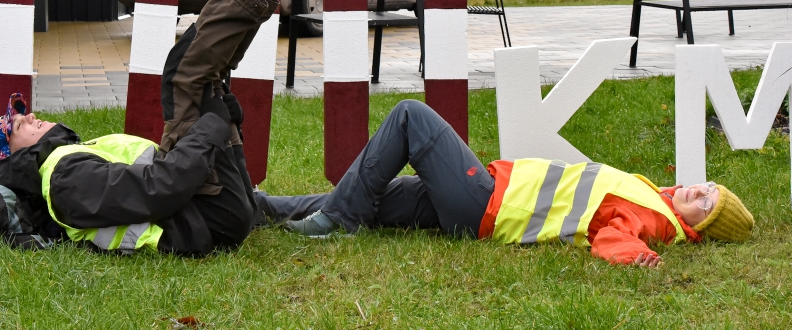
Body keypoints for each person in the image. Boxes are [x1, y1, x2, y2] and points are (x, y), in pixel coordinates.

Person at [0, 0, 305, 256]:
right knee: (183, 77)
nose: (30, 116)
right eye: (16, 126)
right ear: (11, 157)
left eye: (22, 115)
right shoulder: (63, 179)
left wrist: (213, 122)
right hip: (208, 218)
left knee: (201, 78)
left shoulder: (67, 164)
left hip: (209, 210)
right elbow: (159, 188)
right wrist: (213, 126)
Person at [256, 99, 754, 267]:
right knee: (376, 197)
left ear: (701, 225)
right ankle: (265, 210)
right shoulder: (655, 195)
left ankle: (339, 222)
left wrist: (644, 258)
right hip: (485, 201)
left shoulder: (655, 219)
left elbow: (611, 240)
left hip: (485, 203)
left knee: (410, 117)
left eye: (707, 201)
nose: (699, 189)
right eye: (707, 185)